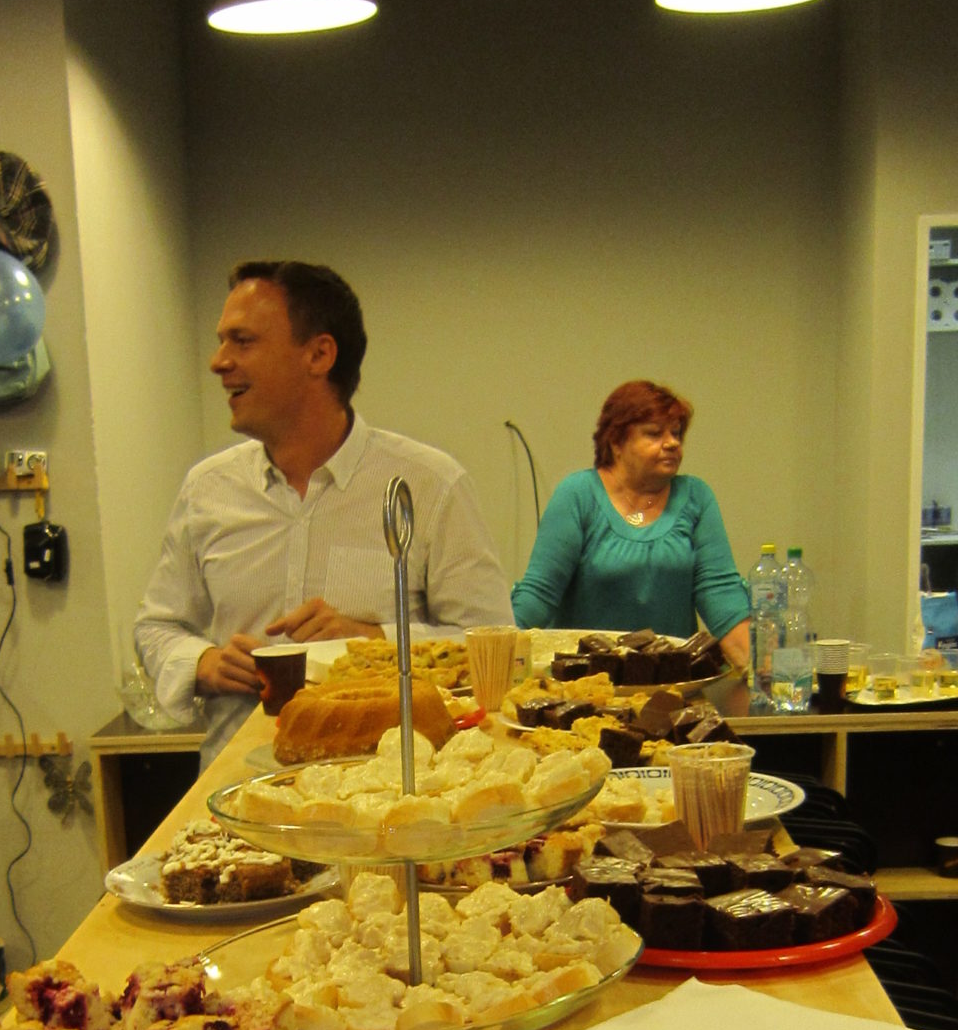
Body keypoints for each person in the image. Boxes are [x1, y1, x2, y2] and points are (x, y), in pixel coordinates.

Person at [134, 261, 512, 756]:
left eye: (242, 341)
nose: (217, 362)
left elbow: (493, 648)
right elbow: (156, 627)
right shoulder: (207, 489)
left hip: (386, 782)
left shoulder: (429, 486)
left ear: (319, 354)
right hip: (240, 779)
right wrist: (202, 662)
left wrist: (373, 641)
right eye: (222, 341)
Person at [509, 379, 751, 663]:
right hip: (585, 683)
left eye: (676, 433)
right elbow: (538, 597)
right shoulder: (576, 495)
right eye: (654, 434)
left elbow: (722, 596)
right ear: (616, 442)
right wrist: (485, 651)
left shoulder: (696, 497)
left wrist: (763, 671)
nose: (672, 443)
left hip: (672, 682)